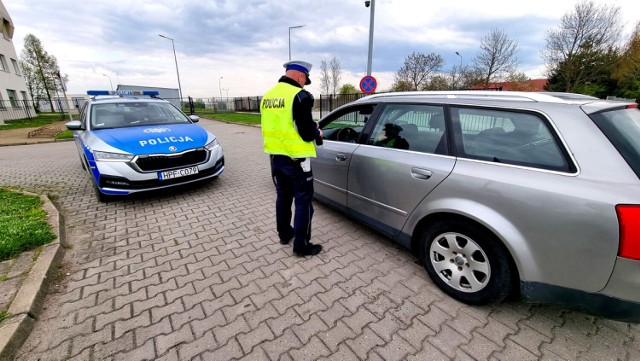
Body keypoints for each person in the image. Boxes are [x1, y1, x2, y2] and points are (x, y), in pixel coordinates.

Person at [260, 60, 324, 257]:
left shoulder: (268, 96)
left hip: (276, 157)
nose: (305, 84)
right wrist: (317, 133)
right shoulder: (300, 96)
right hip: (297, 160)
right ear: (300, 76)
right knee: (303, 202)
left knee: (283, 197)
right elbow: (306, 132)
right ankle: (301, 246)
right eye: (305, 80)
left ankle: (284, 234)